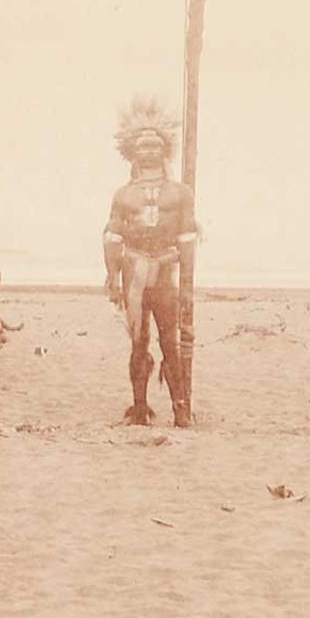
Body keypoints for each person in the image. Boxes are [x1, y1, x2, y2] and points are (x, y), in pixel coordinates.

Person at [102, 99, 197, 427]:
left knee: (170, 341)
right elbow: (112, 236)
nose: (149, 150)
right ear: (132, 151)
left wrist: (186, 287)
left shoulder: (180, 193)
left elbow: (186, 239)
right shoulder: (123, 195)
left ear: (165, 149)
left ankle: (180, 409)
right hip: (135, 275)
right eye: (142, 145)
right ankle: (139, 408)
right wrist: (112, 278)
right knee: (139, 341)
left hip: (166, 275)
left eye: (155, 144)